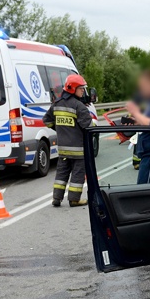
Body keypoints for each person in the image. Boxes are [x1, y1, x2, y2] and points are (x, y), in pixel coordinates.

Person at [44, 74, 93, 207]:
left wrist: (59, 129)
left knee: (61, 173)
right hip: (78, 149)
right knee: (78, 174)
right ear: (73, 88)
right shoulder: (79, 106)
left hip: (63, 149)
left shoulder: (57, 104)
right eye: (81, 88)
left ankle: (57, 198)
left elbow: (46, 120)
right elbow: (88, 127)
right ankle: (74, 199)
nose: (83, 90)